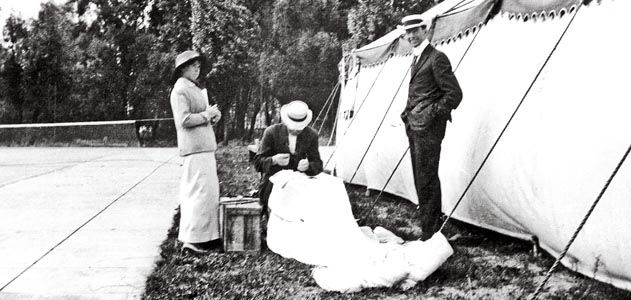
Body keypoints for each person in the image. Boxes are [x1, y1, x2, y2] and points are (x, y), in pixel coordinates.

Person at [399, 15, 462, 241]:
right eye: (408, 32)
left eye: (416, 30)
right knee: (421, 178)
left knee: (427, 178)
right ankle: (430, 230)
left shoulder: (437, 58)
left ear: (425, 30)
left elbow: (454, 94)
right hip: (415, 127)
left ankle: (430, 234)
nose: (412, 36)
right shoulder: (417, 58)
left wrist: (432, 114)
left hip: (428, 129)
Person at [170, 50, 222, 254]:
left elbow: (200, 116)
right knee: (197, 194)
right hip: (194, 150)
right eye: (193, 66)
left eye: (199, 66)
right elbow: (183, 120)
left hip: (204, 148)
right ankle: (191, 240)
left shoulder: (194, 88)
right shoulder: (179, 91)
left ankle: (206, 238)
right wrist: (206, 114)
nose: (197, 69)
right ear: (182, 69)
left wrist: (212, 116)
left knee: (207, 194)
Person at [254, 100, 323, 213]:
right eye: (292, 127)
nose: (295, 130)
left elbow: (318, 164)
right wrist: (273, 160)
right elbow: (257, 163)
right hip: (274, 183)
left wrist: (308, 166)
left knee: (315, 202)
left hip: (300, 182)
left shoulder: (311, 135)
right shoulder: (271, 132)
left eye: (299, 128)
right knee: (281, 201)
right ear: (286, 121)